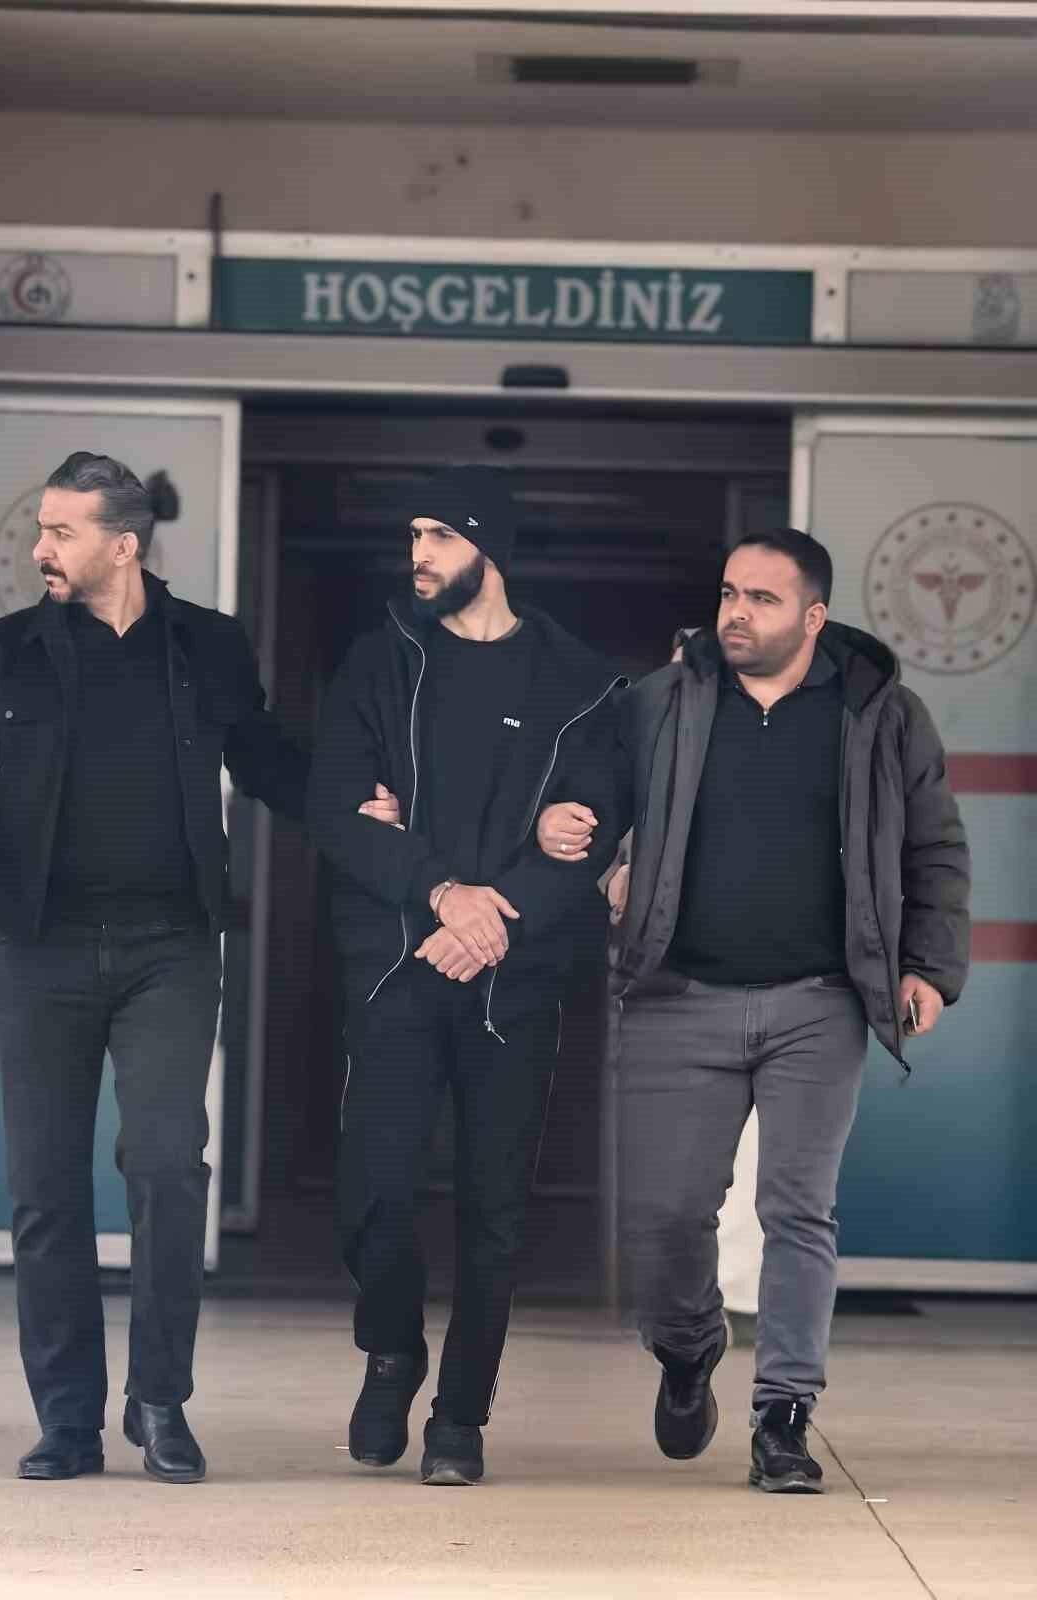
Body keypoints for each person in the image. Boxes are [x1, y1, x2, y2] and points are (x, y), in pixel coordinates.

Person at [0, 451, 399, 1484]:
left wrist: (351, 806)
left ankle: (160, 1399)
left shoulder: (206, 644)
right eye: (41, 529)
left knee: (169, 1167)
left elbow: (263, 758)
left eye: (62, 531)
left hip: (170, 949)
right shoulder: (4, 654)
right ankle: (68, 1420)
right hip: (38, 952)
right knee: (45, 1188)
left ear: (121, 545)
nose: (42, 548)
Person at [537, 529, 969, 1493]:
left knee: (798, 1211)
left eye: (762, 599)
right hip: (675, 995)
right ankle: (689, 1347)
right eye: (730, 593)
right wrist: (574, 834)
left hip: (821, 1000)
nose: (736, 612)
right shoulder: (660, 700)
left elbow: (935, 848)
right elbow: (589, 801)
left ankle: (784, 1416)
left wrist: (931, 968)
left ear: (813, 616)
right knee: (664, 1219)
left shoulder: (882, 715)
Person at [307, 465, 625, 1486]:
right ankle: (391, 1349)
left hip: (511, 985)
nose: (419, 554)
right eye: (414, 535)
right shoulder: (379, 665)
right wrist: (444, 892)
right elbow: (335, 810)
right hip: (398, 973)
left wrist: (493, 919)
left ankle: (459, 1418)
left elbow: (592, 836)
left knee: (494, 1212)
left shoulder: (579, 683)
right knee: (373, 1191)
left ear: (491, 548)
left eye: (440, 535)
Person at [599, 626, 764, 1333]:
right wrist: (615, 877)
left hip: (750, 980)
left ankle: (738, 1299)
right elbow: (605, 844)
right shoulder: (638, 749)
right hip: (658, 983)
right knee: (665, 1163)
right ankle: (670, 1302)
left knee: (750, 1157)